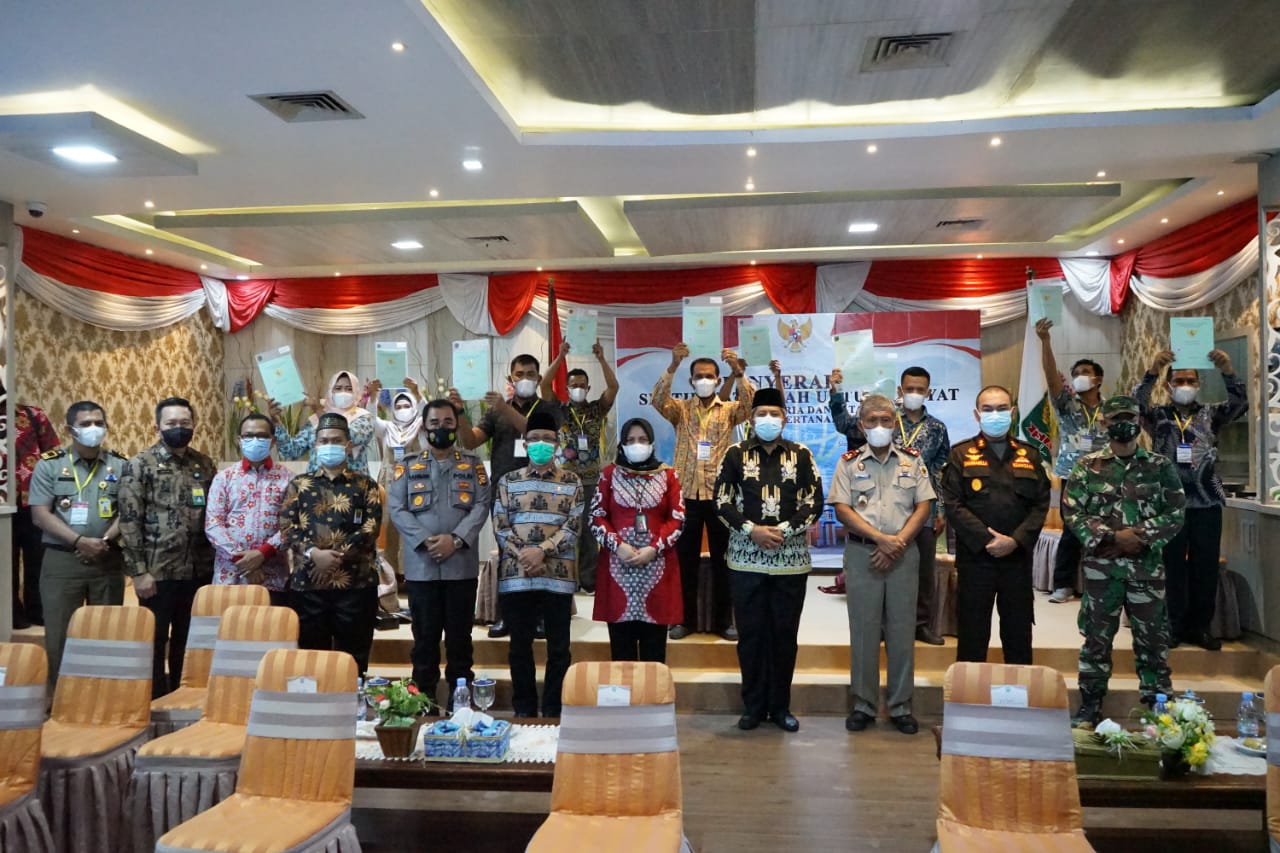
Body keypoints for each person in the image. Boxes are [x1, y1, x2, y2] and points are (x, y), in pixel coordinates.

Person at [1062, 396, 1185, 726]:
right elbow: (1073, 512)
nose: (1124, 423)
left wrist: (1139, 536)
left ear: (1139, 421)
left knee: (1153, 640)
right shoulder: (1087, 466)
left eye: (1130, 417)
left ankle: (1157, 705)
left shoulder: (1160, 466)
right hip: (1102, 570)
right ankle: (1090, 704)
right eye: (1116, 418)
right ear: (1104, 423)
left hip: (1146, 569)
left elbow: (1175, 512)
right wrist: (1113, 538)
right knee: (1096, 639)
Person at [715, 388, 823, 733]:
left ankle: (780, 707)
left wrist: (783, 531)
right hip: (745, 561)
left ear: (784, 419)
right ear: (751, 419)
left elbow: (814, 501)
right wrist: (753, 531)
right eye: (761, 413)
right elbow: (721, 501)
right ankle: (753, 707)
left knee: (784, 636)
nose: (768, 419)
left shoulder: (801, 454)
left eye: (774, 413)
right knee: (750, 636)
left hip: (790, 561)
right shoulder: (734, 453)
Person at [828, 394, 935, 735]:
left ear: (894, 424)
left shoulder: (912, 460)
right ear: (861, 426)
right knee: (864, 631)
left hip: (904, 554)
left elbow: (923, 506)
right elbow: (842, 509)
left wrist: (897, 542)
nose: (879, 426)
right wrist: (881, 539)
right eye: (872, 421)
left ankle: (901, 706)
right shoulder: (848, 463)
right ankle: (863, 704)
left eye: (885, 421)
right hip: (863, 555)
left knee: (903, 631)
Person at [1133, 347, 1247, 651]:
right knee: (1171, 566)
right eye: (1179, 380)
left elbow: (1240, 404)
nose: (1185, 385)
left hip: (1207, 499)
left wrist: (1227, 370)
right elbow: (1135, 405)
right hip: (1168, 502)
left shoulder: (1210, 414)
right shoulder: (1158, 416)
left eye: (1190, 380)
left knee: (1205, 566)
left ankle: (1201, 627)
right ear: (1169, 385)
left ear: (1198, 384)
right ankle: (1173, 626)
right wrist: (1152, 371)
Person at [388, 398, 491, 709]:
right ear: (425, 427)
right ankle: (424, 704)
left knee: (460, 641)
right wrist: (425, 540)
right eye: (434, 423)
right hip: (422, 568)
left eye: (448, 422)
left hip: (461, 567)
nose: (441, 428)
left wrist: (455, 540)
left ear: (456, 425)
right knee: (424, 641)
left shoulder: (472, 464)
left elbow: (481, 505)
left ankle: (462, 706)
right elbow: (397, 508)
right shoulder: (407, 465)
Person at [939, 386, 1050, 665]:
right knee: (972, 634)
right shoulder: (960, 454)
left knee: (1018, 634)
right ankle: (969, 692)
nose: (995, 415)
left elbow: (1040, 504)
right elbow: (953, 504)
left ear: (1012, 413)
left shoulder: (1030, 454)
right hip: (976, 559)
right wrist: (988, 540)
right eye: (987, 409)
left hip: (1017, 559)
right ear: (977, 415)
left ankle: (1018, 690)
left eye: (1001, 409)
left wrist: (1015, 541)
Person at [651, 343, 756, 640]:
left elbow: (750, 405)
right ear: (691, 381)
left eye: (710, 376)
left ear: (718, 380)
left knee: (724, 561)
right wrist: (673, 364)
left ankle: (725, 621)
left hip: (720, 496)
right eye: (699, 376)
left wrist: (738, 372)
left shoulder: (729, 411)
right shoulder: (681, 410)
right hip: (687, 496)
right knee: (684, 562)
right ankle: (683, 620)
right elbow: (657, 399)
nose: (704, 380)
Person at [452, 353, 560, 638]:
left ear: (538, 378)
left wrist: (504, 406)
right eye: (519, 374)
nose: (525, 379)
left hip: (541, 490)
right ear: (510, 378)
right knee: (507, 553)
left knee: (541, 552)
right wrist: (460, 413)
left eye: (530, 374)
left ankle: (539, 617)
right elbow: (471, 440)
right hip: (504, 492)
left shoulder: (547, 407)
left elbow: (535, 433)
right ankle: (507, 616)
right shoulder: (496, 411)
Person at [118, 397, 215, 697]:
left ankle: (182, 700)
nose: (178, 428)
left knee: (189, 642)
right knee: (154, 641)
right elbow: (129, 521)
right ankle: (155, 702)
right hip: (156, 572)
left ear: (194, 425)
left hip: (198, 571)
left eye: (184, 423)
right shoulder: (139, 465)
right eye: (171, 423)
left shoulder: (204, 464)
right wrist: (138, 573)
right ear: (157, 427)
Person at [28, 401, 125, 690]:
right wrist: (80, 542)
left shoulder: (121, 465)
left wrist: (103, 541)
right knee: (60, 634)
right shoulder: (50, 464)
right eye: (85, 424)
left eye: (98, 423)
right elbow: (40, 515)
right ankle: (62, 697)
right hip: (62, 561)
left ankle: (103, 695)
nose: (93, 428)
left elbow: (128, 512)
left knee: (106, 632)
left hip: (107, 558)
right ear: (70, 430)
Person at [492, 410, 583, 718]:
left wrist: (542, 551)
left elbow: (574, 526)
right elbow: (501, 525)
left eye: (547, 438)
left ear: (557, 444)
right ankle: (525, 710)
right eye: (534, 438)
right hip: (516, 576)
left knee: (559, 649)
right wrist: (526, 556)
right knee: (519, 647)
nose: (540, 444)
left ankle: (555, 710)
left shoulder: (572, 481)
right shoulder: (508, 481)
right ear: (525, 442)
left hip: (557, 576)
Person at [278, 412, 383, 675]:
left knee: (354, 661)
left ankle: (354, 700)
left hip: (356, 584)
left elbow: (370, 529)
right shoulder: (299, 485)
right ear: (316, 445)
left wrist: (333, 559)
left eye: (336, 440)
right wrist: (314, 554)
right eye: (324, 440)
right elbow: (287, 527)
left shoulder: (366, 485)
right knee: (311, 661)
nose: (329, 445)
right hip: (309, 585)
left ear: (348, 446)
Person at [590, 417, 685, 662]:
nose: (637, 444)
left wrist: (654, 548)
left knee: (655, 650)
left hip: (657, 567)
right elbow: (597, 517)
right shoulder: (608, 475)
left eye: (642, 439)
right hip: (618, 567)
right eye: (630, 440)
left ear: (652, 443)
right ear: (622, 445)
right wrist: (618, 545)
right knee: (622, 651)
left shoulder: (668, 475)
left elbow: (677, 518)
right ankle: (624, 689)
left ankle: (653, 688)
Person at [1034, 319, 1109, 604]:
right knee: (1072, 531)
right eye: (1076, 373)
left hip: (1105, 477)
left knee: (1104, 530)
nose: (1079, 377)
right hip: (1072, 476)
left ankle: (1101, 584)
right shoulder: (1067, 404)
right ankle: (1063, 585)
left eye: (1085, 373)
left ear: (1098, 379)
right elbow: (1051, 375)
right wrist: (1045, 341)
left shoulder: (1111, 408)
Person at [541, 339, 619, 593]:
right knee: (562, 530)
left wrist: (601, 359)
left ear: (588, 387)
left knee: (588, 531)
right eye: (573, 385)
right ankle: (565, 579)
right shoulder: (559, 411)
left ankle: (589, 580)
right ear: (566, 388)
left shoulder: (596, 410)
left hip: (590, 480)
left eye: (582, 385)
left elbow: (613, 387)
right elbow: (544, 385)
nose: (578, 389)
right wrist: (560, 356)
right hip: (562, 481)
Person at [204, 412, 293, 606]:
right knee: (228, 625)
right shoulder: (224, 478)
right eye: (248, 435)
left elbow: (292, 525)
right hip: (230, 576)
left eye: (262, 436)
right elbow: (213, 524)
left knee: (272, 625)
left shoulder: (288, 478)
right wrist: (244, 562)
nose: (255, 440)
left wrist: (262, 554)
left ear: (272, 441)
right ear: (239, 440)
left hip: (272, 577)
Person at [5, 384, 60, 629]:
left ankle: (37, 610)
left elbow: (52, 456)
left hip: (34, 501)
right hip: (2, 505)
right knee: (5, 562)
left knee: (38, 559)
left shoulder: (33, 416)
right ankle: (11, 613)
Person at [271, 370, 377, 473]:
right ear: (331, 391)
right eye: (338, 388)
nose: (343, 392)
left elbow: (351, 436)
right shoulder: (314, 420)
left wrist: (318, 411)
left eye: (349, 389)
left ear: (356, 392)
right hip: (316, 482)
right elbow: (292, 451)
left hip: (351, 482)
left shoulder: (364, 417)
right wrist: (277, 422)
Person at [826, 368, 867, 453]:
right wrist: (837, 388)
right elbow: (840, 412)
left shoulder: (893, 426)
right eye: (864, 399)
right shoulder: (855, 426)